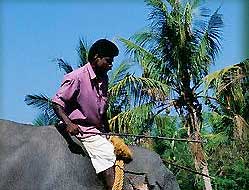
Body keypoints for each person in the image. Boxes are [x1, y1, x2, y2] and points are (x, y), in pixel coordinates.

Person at [52, 39, 119, 190]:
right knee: (108, 156)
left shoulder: (104, 78)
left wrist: (108, 132)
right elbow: (56, 103)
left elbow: (102, 110)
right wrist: (69, 124)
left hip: (97, 131)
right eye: (108, 61)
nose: (111, 65)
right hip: (83, 132)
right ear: (96, 57)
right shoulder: (76, 77)